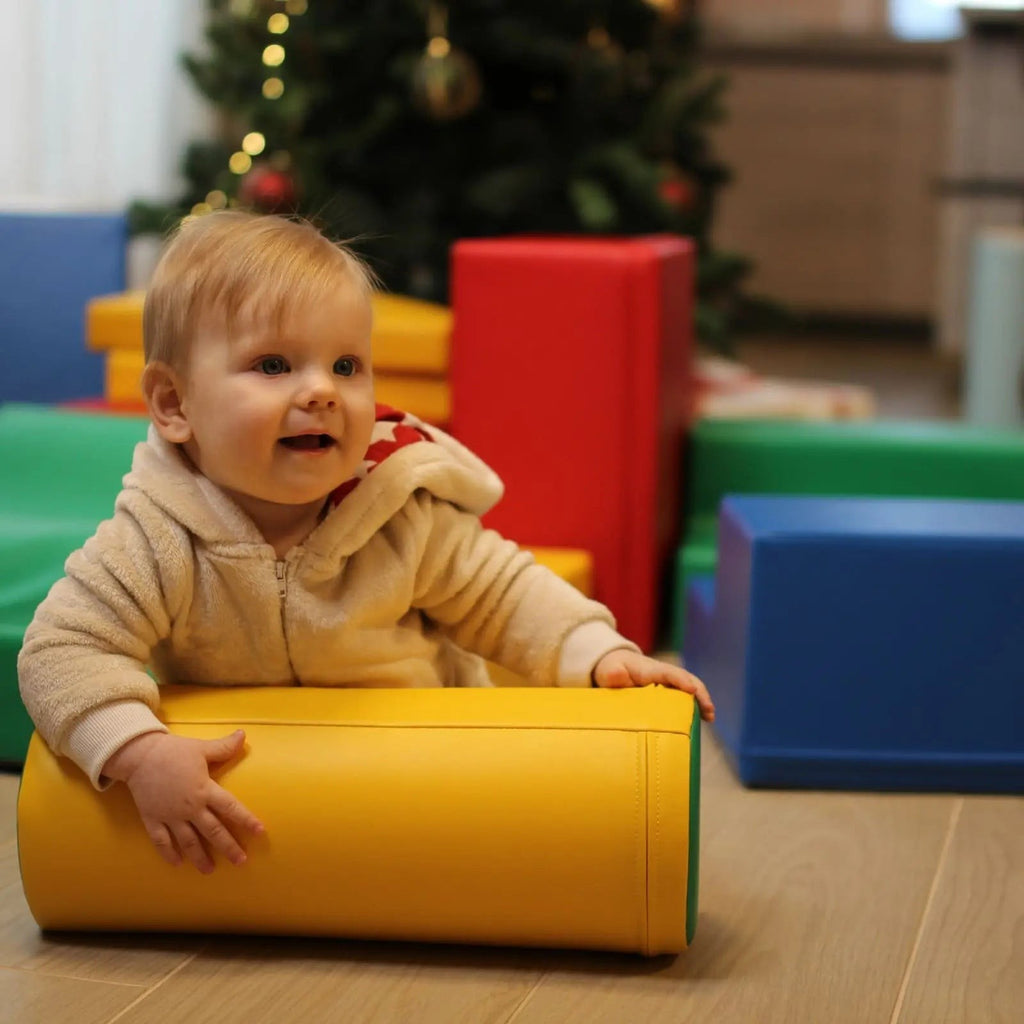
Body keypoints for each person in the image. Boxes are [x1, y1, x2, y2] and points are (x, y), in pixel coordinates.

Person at [19, 211, 714, 875]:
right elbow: (60, 649)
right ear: (173, 406)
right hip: (266, 794)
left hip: (418, 777)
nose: (322, 390)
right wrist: (139, 751)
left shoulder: (397, 511)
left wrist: (603, 655)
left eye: (347, 366)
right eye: (272, 365)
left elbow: (505, 593)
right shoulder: (156, 537)